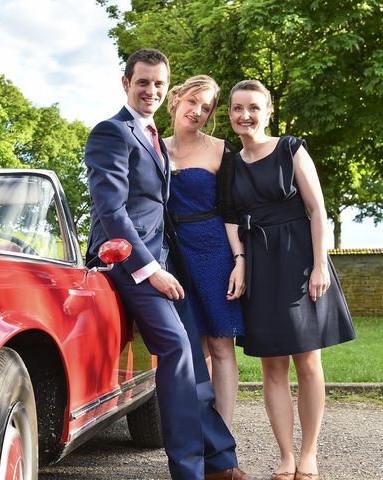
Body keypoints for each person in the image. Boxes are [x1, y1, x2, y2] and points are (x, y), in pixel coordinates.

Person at [85, 48, 250, 480]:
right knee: (176, 349)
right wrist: (150, 269)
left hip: (165, 260)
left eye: (158, 83)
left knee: (194, 357)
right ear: (126, 83)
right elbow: (111, 211)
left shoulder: (153, 135)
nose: (151, 90)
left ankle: (219, 462)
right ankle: (188, 471)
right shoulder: (111, 132)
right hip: (126, 259)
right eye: (143, 82)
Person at [224, 79, 356, 480]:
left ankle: (309, 455)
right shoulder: (230, 162)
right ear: (229, 114)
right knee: (272, 367)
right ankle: (285, 456)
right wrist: (241, 261)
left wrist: (320, 265)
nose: (244, 115)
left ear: (267, 112)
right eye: (236, 108)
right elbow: (230, 217)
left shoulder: (291, 148)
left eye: (253, 107)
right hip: (260, 265)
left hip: (299, 260)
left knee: (309, 361)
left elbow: (317, 210)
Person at [163, 75, 245, 428]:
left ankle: (223, 438)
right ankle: (196, 431)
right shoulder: (152, 146)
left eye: (206, 107)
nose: (197, 111)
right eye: (193, 101)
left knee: (221, 344)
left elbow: (231, 210)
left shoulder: (220, 148)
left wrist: (239, 260)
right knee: (191, 348)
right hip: (172, 254)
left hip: (214, 251)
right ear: (177, 97)